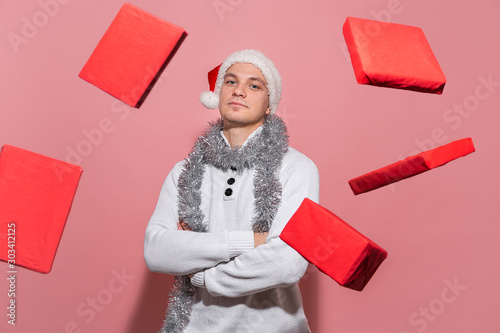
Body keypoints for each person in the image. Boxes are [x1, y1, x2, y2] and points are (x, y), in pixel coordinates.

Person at [144, 49, 320, 333]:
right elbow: (157, 250)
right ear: (218, 94)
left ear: (268, 104)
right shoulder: (184, 171)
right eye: (230, 82)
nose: (239, 91)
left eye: (254, 85)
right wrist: (251, 242)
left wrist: (203, 277)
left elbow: (287, 262)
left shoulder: (297, 167)